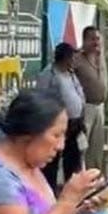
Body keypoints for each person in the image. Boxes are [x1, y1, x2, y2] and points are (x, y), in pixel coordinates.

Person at [38, 42, 86, 191]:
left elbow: (79, 93)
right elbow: (42, 97)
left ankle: (71, 189)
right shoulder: (49, 74)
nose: (74, 60)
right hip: (58, 123)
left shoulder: (70, 74)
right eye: (72, 57)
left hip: (75, 123)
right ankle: (49, 191)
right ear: (65, 57)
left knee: (73, 159)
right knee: (52, 161)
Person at [73, 26, 108, 170]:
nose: (96, 42)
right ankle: (79, 175)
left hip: (100, 107)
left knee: (96, 148)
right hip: (85, 109)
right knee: (82, 147)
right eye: (92, 39)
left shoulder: (101, 57)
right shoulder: (77, 59)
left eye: (98, 39)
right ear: (84, 40)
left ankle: (94, 177)